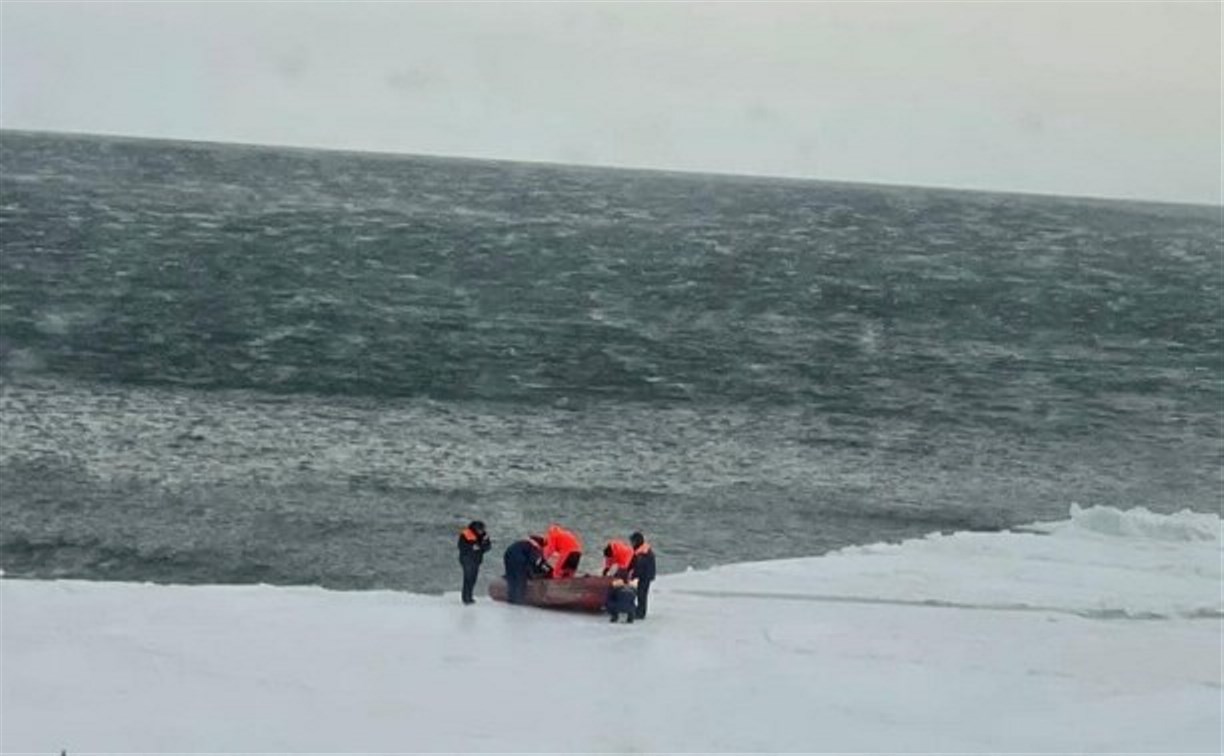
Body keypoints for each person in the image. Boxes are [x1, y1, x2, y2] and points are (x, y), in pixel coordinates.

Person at [502, 535, 548, 604]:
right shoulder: (534, 547)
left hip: (507, 555)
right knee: (521, 579)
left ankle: (511, 599)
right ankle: (518, 600)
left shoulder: (524, 543)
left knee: (511, 578)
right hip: (519, 558)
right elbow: (535, 561)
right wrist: (545, 569)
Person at [457, 520, 491, 605]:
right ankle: (466, 598)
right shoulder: (466, 533)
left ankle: (470, 596)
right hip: (466, 559)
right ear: (476, 529)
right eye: (480, 530)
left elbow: (488, 546)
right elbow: (461, 546)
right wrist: (472, 548)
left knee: (473, 578)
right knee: (468, 577)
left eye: (482, 530)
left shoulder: (484, 535)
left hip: (477, 560)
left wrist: (480, 547)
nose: (481, 531)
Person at [628, 531, 656, 619]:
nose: (631, 543)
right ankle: (640, 610)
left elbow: (639, 567)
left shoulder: (642, 553)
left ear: (637, 541)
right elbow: (633, 562)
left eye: (632, 541)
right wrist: (628, 569)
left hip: (646, 575)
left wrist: (633, 576)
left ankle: (641, 613)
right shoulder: (641, 550)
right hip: (645, 574)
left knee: (642, 594)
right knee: (641, 593)